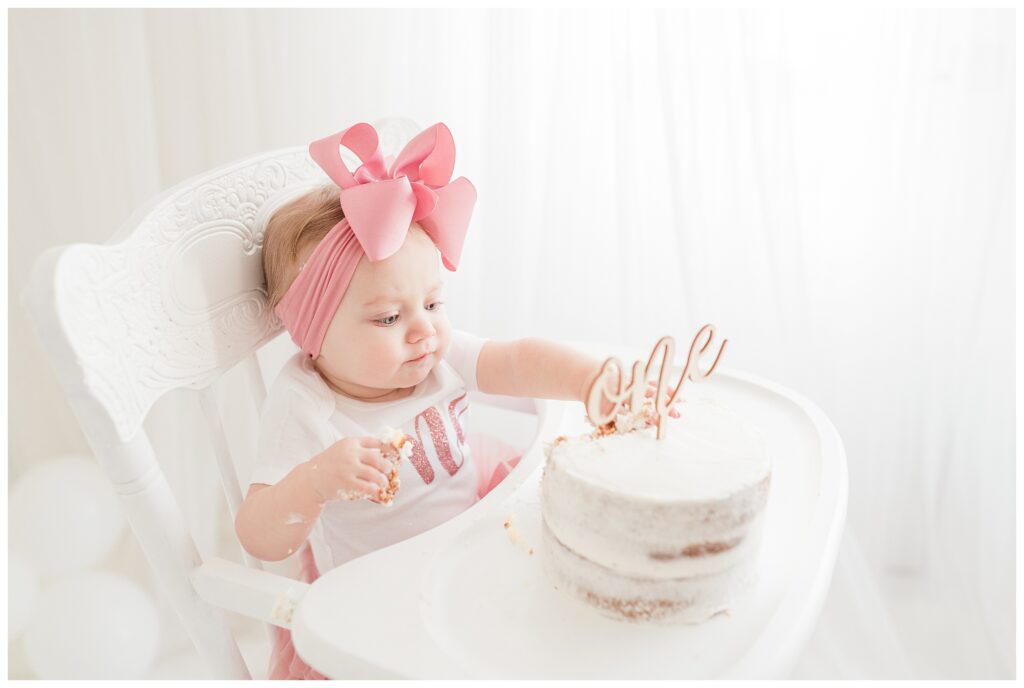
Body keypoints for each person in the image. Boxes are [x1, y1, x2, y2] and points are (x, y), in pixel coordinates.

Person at [234, 122, 678, 679]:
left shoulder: (433, 357)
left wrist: (590, 381)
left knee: (561, 597)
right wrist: (315, 481)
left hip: (468, 543)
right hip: (382, 593)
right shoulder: (307, 406)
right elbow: (257, 533)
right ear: (312, 334)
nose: (423, 330)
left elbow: (515, 361)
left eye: (434, 304)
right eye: (390, 318)